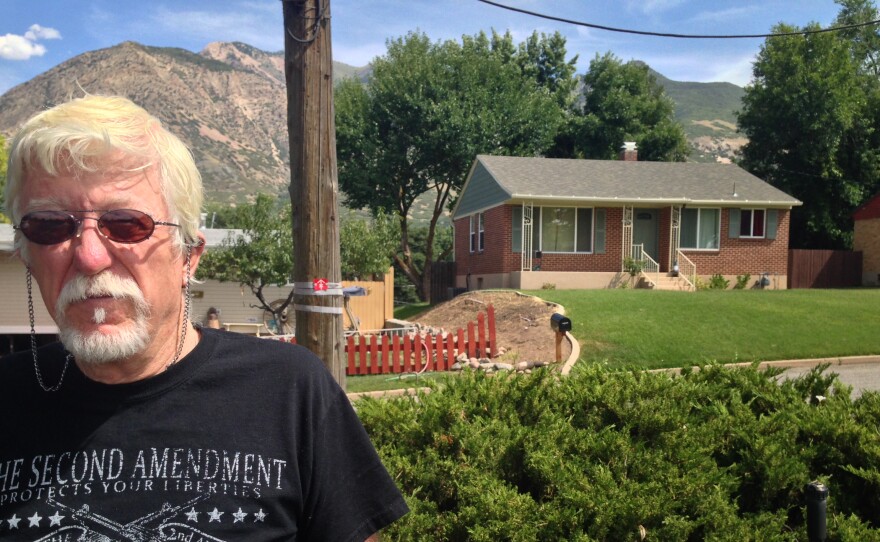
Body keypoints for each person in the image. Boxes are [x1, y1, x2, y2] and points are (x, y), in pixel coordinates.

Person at [0, 95, 408, 541]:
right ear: (25, 253)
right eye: (51, 226)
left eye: (125, 224)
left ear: (189, 257)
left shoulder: (289, 391)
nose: (89, 256)